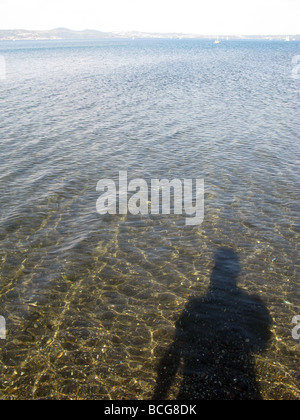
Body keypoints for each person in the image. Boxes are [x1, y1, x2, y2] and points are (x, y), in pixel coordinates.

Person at [153, 248, 272, 400]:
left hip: (196, 389)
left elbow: (172, 356)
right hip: (241, 389)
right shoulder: (252, 307)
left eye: (214, 268)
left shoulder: (195, 308)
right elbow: (261, 346)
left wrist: (158, 396)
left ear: (213, 275)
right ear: (236, 273)